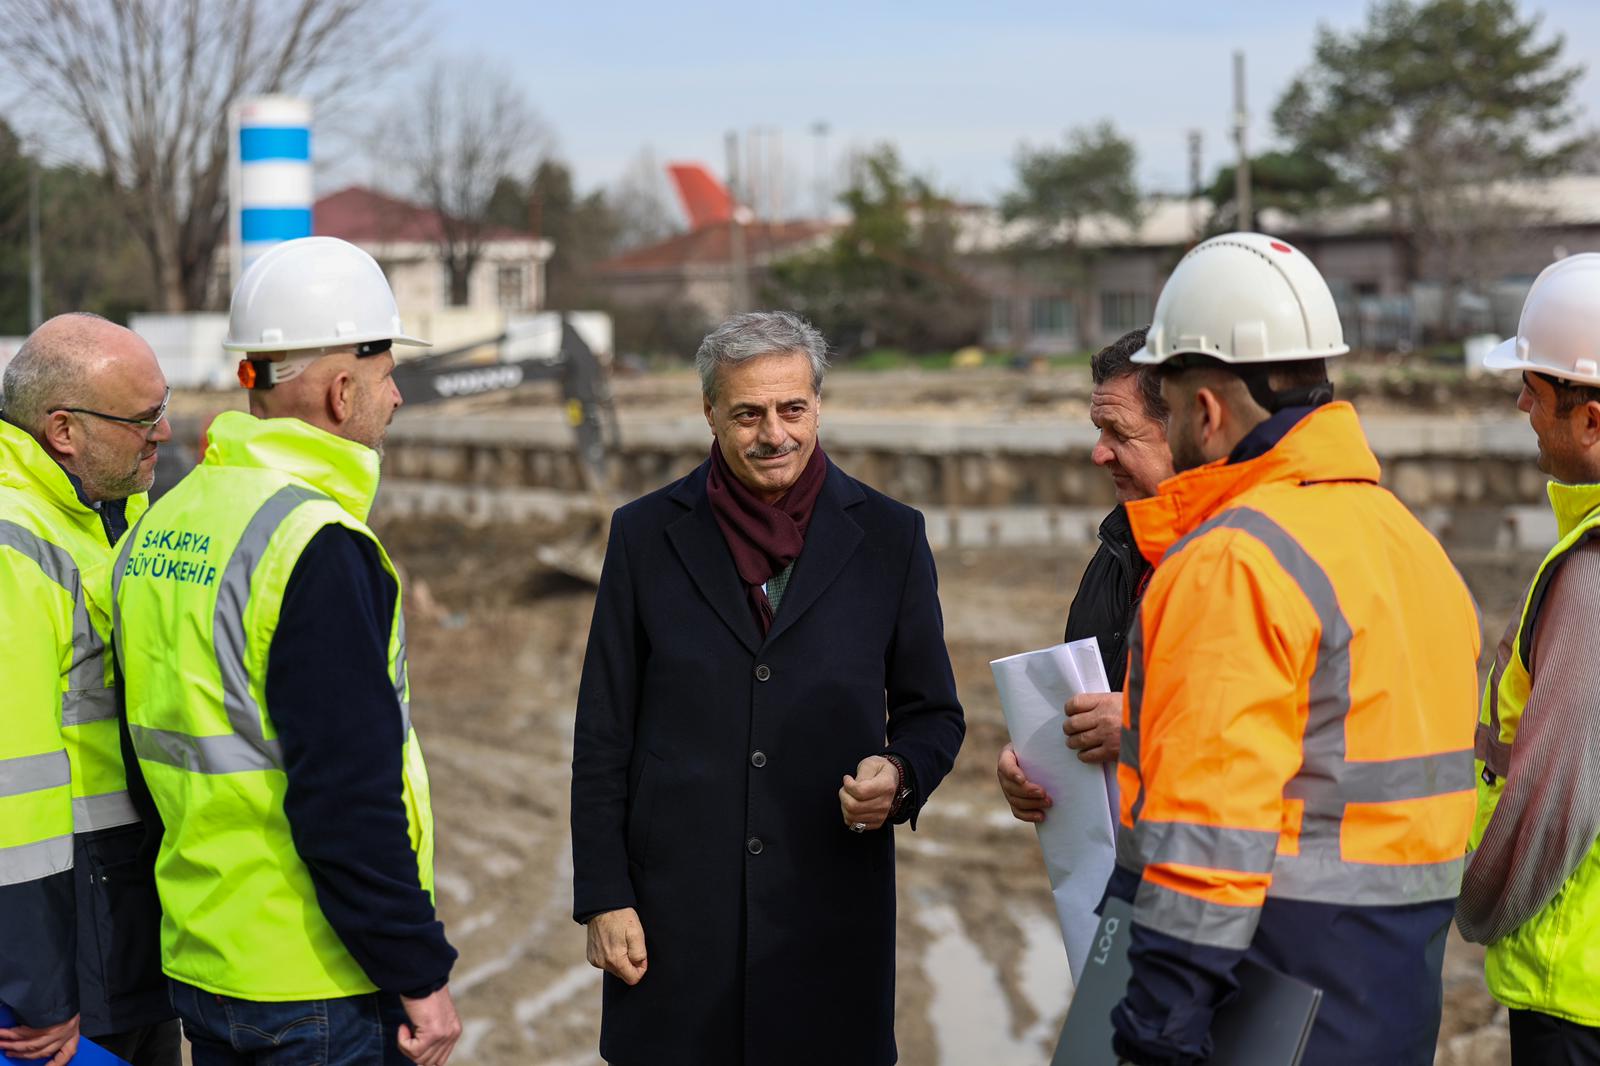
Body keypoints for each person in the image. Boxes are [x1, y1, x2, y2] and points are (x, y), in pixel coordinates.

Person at [1108, 232, 1481, 1066]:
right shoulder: (1405, 540)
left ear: (1205, 410)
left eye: (1165, 411)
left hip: (1271, 998)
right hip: (1392, 997)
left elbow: (1208, 835)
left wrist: (1156, 1029)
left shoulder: (1235, 560)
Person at [571, 310, 966, 1066]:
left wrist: (903, 773)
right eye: (748, 413)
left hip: (828, 915)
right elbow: (603, 733)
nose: (773, 433)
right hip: (674, 922)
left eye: (792, 409)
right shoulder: (644, 535)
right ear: (709, 413)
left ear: (819, 404)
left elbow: (932, 712)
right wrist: (604, 895)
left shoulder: (890, 537)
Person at [110, 237, 461, 1066]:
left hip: (205, 960)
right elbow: (346, 792)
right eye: (384, 376)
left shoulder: (163, 520)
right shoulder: (316, 544)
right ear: (342, 391)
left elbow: (145, 753)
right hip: (317, 979)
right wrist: (418, 971)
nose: (397, 396)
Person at [0, 313, 179, 1066]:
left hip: (128, 918)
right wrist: (41, 989)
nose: (164, 434)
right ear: (64, 430)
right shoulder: (15, 546)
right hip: (73, 943)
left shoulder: (112, 512)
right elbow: (15, 784)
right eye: (143, 419)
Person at [1457, 252, 1600, 1063]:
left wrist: (1481, 903)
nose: (1521, 404)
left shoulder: (1589, 574)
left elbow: (1556, 800)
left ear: (1591, 418)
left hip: (1577, 991)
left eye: (1536, 389)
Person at [997, 326, 1173, 824]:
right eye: (1099, 430)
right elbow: (1091, 704)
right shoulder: (1119, 547)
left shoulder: (1239, 560)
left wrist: (1143, 727)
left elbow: (1285, 729)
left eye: (1120, 432)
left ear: (1192, 426)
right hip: (1119, 872)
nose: (1099, 453)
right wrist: (1037, 757)